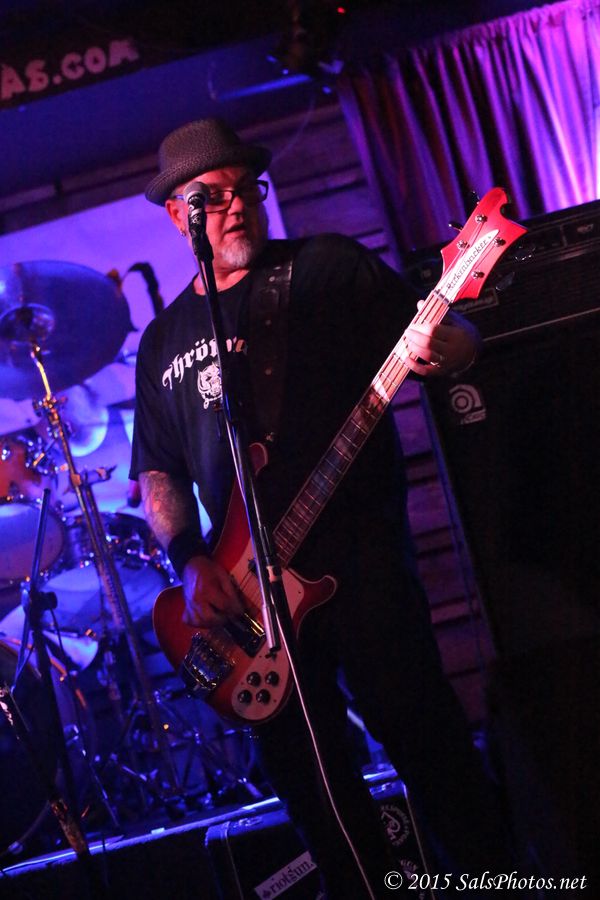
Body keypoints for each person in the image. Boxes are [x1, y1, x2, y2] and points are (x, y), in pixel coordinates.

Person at [130, 118, 510, 897]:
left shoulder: (327, 269)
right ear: (177, 215)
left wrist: (453, 347)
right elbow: (158, 472)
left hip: (360, 563)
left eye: (247, 189)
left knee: (432, 750)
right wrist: (191, 560)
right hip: (250, 605)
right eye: (213, 197)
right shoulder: (163, 341)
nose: (237, 207)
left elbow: (452, 331)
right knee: (315, 794)